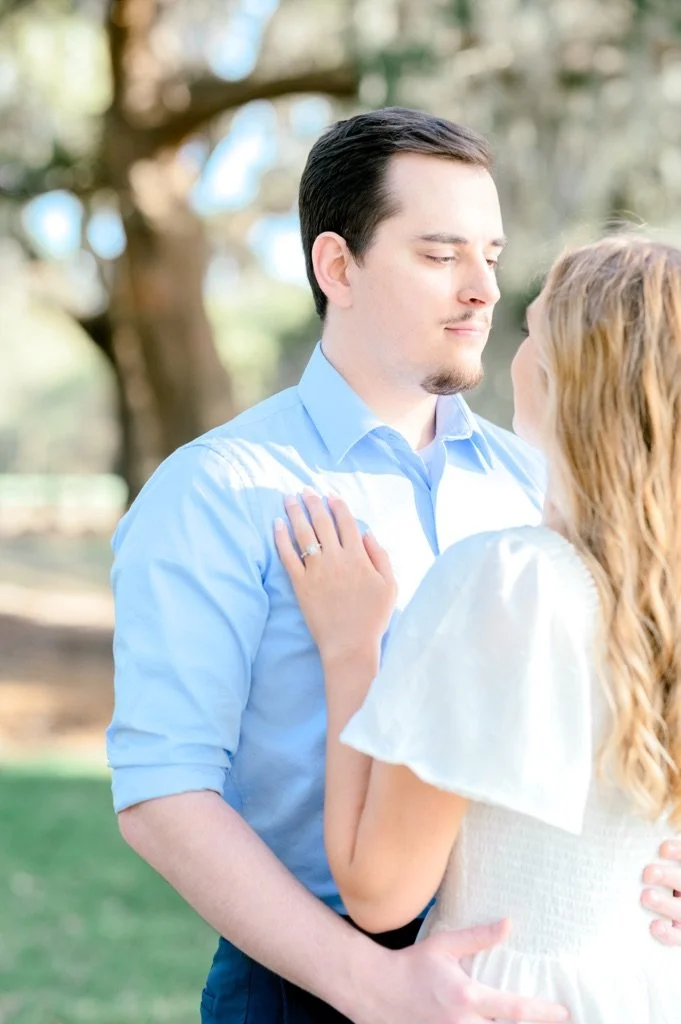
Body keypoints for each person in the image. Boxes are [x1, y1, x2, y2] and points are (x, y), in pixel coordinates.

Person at [107, 109, 681, 1024]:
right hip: (308, 982)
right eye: (440, 253)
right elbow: (163, 792)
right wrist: (369, 983)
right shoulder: (217, 491)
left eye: (491, 255)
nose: (483, 290)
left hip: (530, 975)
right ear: (337, 266)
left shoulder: (545, 479)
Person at [274, 234, 681, 1022]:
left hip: (506, 1000)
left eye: (531, 329)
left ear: (571, 378)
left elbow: (379, 891)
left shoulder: (511, 583)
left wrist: (351, 645)